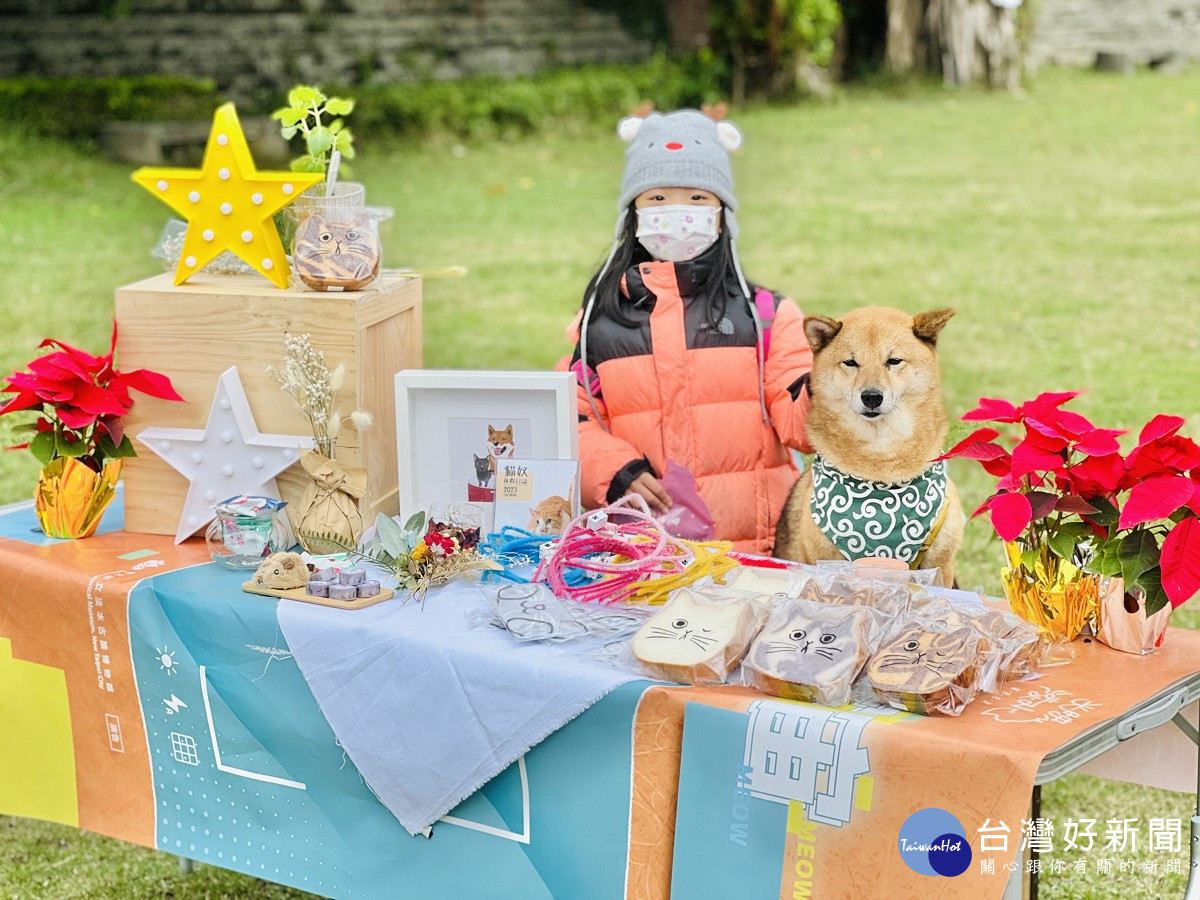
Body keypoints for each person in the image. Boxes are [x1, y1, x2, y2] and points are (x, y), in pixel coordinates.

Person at [568, 108, 814, 554]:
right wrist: (615, 471)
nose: (677, 213)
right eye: (657, 199)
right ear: (633, 215)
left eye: (698, 199)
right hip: (647, 558)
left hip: (758, 556)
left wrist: (834, 383)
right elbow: (571, 419)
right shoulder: (600, 321)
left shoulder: (767, 317)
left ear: (722, 216)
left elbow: (804, 426)